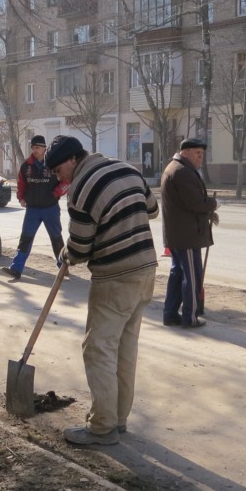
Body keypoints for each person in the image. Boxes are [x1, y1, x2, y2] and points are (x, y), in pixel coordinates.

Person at [45, 135, 159, 447]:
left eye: (58, 171)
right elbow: (152, 209)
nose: (59, 178)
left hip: (115, 278)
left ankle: (102, 427)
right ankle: (119, 418)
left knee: (98, 349)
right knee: (125, 347)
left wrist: (66, 255)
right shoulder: (127, 169)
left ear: (72, 160)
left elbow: (80, 249)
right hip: (146, 271)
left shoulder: (81, 190)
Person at [160, 138, 217, 328]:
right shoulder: (182, 172)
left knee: (177, 273)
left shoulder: (174, 168)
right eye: (197, 153)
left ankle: (170, 314)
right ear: (185, 153)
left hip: (178, 234)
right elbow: (196, 203)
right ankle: (190, 317)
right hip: (186, 235)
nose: (201, 157)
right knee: (192, 277)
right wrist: (213, 204)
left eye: (202, 154)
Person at [3, 135, 65, 282]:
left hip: (50, 208)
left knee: (56, 238)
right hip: (33, 210)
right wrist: (21, 198)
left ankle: (63, 266)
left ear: (44, 148)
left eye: (37, 147)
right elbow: (21, 184)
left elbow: (66, 180)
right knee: (25, 239)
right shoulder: (26, 166)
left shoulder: (54, 164)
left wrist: (56, 193)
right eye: (32, 147)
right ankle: (16, 269)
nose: (34, 150)